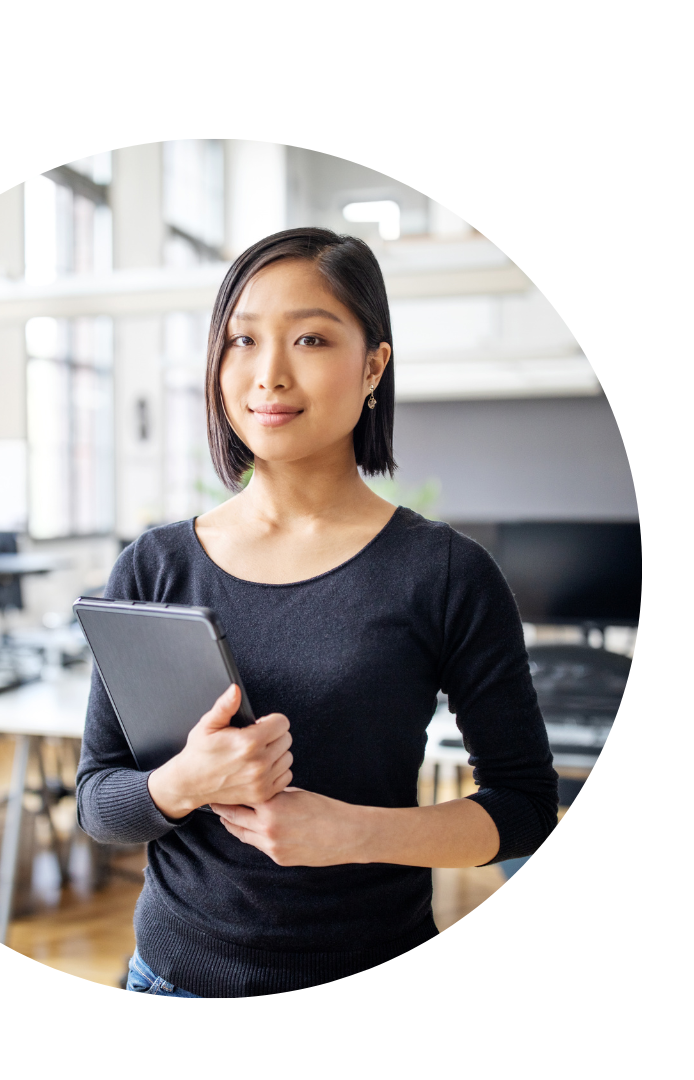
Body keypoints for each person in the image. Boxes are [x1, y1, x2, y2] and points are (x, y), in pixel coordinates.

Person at [76, 227, 559, 998]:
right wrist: (182, 783)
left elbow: (527, 808)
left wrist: (356, 832)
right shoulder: (156, 566)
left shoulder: (445, 574)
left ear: (374, 365)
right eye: (241, 339)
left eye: (309, 338)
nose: (268, 374)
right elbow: (101, 803)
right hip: (171, 985)